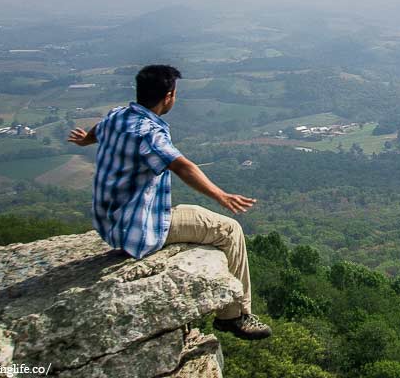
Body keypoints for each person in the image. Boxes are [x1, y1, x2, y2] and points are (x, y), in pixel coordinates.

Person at [69, 64, 271, 340]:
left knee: (196, 214)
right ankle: (234, 315)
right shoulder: (149, 133)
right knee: (230, 230)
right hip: (138, 229)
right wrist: (221, 196)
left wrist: (85, 141)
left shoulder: (117, 116)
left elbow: (98, 129)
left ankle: (234, 313)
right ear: (168, 96)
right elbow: (182, 166)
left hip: (109, 223)